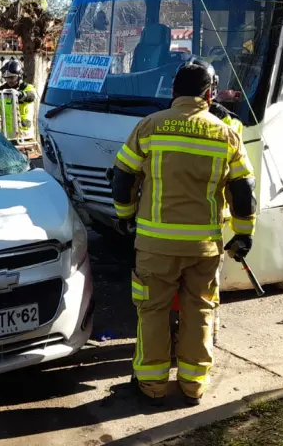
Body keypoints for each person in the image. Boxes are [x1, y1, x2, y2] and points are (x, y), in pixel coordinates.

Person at [110, 57, 257, 407]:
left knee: (153, 311)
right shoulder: (225, 133)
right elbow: (244, 188)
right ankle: (193, 386)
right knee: (200, 311)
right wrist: (243, 233)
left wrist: (125, 215)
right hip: (203, 248)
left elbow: (123, 177)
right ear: (210, 93)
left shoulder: (149, 126)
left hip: (155, 245)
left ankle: (152, 386)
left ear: (173, 91)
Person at [0, 60, 37, 141]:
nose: (9, 80)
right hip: (7, 137)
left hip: (25, 136)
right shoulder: (1, 91)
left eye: (12, 77)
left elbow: (31, 96)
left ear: (19, 76)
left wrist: (20, 94)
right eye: (7, 78)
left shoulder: (27, 88)